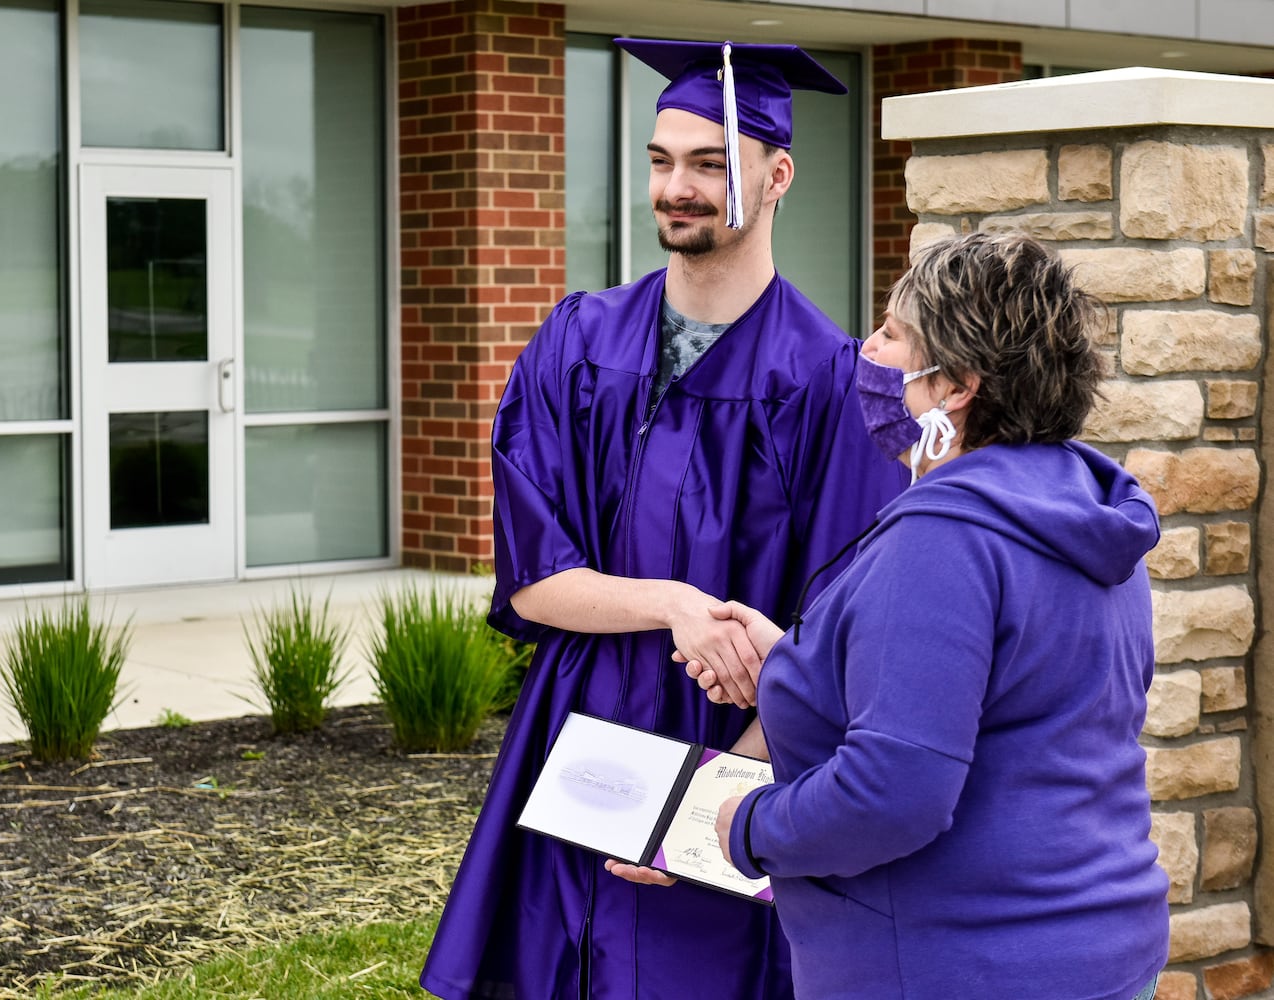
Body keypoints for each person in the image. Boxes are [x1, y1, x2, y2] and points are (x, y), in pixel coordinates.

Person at [419, 37, 907, 1000]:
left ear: (778, 174)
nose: (677, 187)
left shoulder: (834, 384)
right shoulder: (576, 346)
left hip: (738, 746)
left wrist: (707, 805)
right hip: (581, 732)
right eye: (661, 160)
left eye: (709, 162)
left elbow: (841, 639)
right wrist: (679, 604)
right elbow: (536, 579)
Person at [699, 232, 1170, 1000]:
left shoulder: (943, 540)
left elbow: (893, 793)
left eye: (891, 332)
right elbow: (1018, 710)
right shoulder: (1085, 513)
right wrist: (798, 662)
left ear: (955, 386)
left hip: (957, 965)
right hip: (1102, 944)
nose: (868, 349)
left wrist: (747, 826)